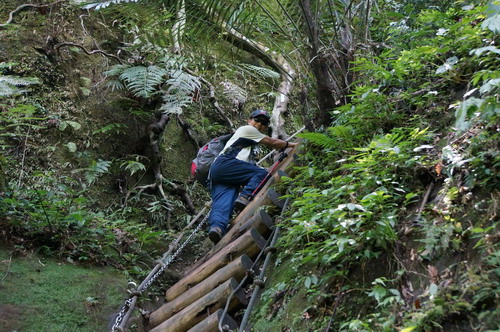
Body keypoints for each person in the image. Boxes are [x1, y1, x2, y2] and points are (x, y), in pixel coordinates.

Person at [207, 109, 298, 243]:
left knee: (222, 203)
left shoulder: (247, 145)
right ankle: (245, 197)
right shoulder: (246, 130)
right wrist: (293, 145)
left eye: (263, 123)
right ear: (249, 120)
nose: (259, 124)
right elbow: (272, 142)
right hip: (225, 164)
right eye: (257, 120)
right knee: (261, 174)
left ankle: (217, 228)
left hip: (219, 173)